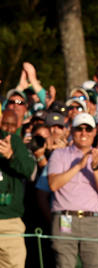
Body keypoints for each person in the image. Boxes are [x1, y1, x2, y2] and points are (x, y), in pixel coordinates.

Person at [47, 113, 98, 268]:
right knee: (64, 264)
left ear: (95, 132)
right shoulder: (59, 154)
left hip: (92, 220)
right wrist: (78, 166)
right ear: (71, 131)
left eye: (88, 129)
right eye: (79, 129)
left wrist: (95, 168)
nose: (84, 133)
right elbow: (53, 185)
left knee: (95, 264)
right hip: (65, 219)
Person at [0, 112, 35, 267]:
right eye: (5, 124)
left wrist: (11, 156)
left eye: (13, 125)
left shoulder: (15, 141)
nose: (9, 129)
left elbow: (29, 169)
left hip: (9, 223)